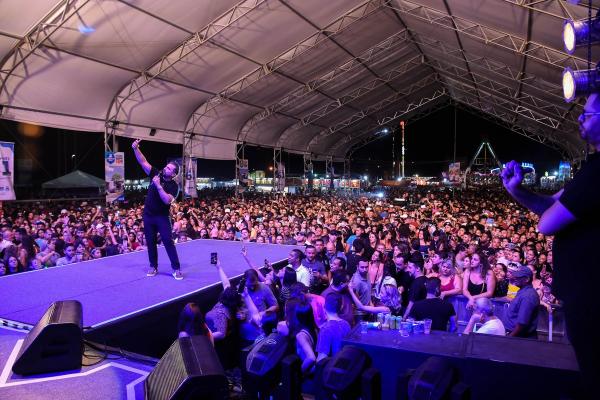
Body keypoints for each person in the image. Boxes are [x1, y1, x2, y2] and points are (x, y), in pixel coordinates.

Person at [503, 91, 600, 394]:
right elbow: (552, 204)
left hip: (592, 296)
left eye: (588, 113)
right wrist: (516, 190)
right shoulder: (590, 169)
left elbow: (547, 223)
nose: (580, 118)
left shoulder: (599, 173)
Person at [132, 138, 183, 280]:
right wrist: (136, 149)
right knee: (150, 241)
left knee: (167, 240)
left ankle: (176, 268)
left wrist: (158, 185)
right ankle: (153, 266)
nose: (165, 168)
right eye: (166, 166)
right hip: (148, 215)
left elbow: (167, 200)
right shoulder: (156, 174)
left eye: (168, 169)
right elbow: (143, 161)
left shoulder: (174, 186)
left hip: (162, 217)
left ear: (173, 174)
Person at [504, 264, 539, 338]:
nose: (515, 278)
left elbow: (522, 324)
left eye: (518, 277)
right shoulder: (523, 291)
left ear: (527, 279)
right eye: (515, 275)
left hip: (520, 339)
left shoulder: (528, 295)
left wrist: (509, 338)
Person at [316, 293, 352, 362]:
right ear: (341, 307)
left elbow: (321, 360)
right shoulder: (346, 324)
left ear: (324, 307)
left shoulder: (325, 329)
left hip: (331, 369)